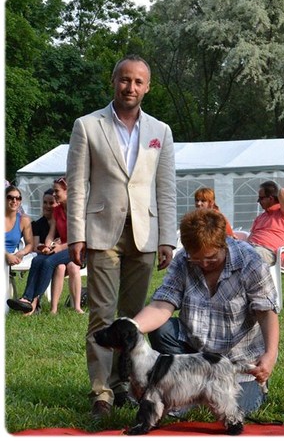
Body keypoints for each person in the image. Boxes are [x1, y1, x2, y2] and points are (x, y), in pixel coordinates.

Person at [66, 54, 177, 418]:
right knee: (101, 315)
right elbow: (77, 186)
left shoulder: (160, 131)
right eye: (125, 80)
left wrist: (167, 238)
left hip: (145, 234)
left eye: (138, 82)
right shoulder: (87, 126)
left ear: (148, 87)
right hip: (101, 231)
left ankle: (122, 385)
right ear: (113, 81)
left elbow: (166, 188)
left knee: (131, 318)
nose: (131, 87)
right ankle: (101, 393)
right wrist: (76, 235)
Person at [133, 208, 279, 415]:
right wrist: (132, 328)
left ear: (223, 244)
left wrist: (270, 354)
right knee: (162, 329)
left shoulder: (250, 261)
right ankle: (184, 386)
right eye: (196, 259)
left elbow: (266, 312)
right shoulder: (182, 260)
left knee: (236, 410)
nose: (203, 264)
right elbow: (161, 305)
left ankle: (191, 395)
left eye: (211, 258)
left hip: (235, 363)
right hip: (194, 356)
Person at [7, 177, 84, 315]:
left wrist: (59, 248)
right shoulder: (57, 210)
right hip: (61, 250)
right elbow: (51, 233)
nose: (54, 194)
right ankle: (26, 298)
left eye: (56, 191)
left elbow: (79, 237)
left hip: (77, 249)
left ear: (67, 191)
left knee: (48, 262)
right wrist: (47, 246)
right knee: (37, 259)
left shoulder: (77, 210)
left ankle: (34, 302)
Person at [31, 188, 66, 314]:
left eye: (51, 203)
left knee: (59, 266)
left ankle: (37, 301)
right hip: (45, 254)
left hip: (62, 256)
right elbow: (35, 246)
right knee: (42, 261)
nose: (47, 206)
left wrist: (59, 244)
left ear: (57, 204)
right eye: (45, 202)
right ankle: (34, 301)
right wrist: (44, 247)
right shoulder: (38, 224)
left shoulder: (62, 222)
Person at [246, 181, 284, 266]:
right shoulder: (260, 217)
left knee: (250, 256)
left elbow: (283, 192)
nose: (258, 201)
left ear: (271, 198)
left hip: (269, 252)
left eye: (261, 198)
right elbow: (250, 236)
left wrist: (275, 192)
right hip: (251, 248)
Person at [5, 185, 33, 266]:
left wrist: (22, 252)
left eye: (18, 198)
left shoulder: (24, 220)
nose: (14, 201)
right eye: (10, 197)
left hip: (10, 261)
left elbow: (30, 244)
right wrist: (6, 255)